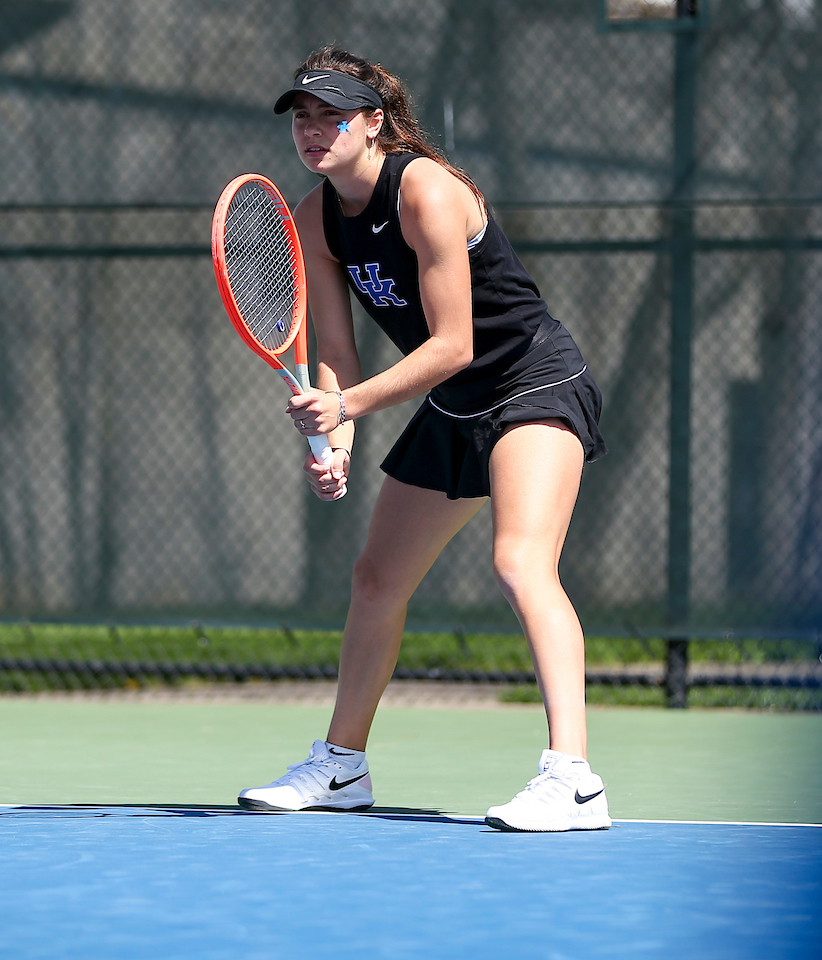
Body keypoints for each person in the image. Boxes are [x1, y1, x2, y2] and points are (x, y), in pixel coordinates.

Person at [236, 47, 610, 832]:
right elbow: (336, 353)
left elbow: (453, 345)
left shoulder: (428, 191)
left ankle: (573, 779)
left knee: (519, 561)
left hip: (532, 382)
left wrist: (349, 412)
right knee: (375, 579)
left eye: (331, 115)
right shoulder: (314, 218)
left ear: (374, 123)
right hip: (454, 404)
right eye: (301, 117)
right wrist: (332, 440)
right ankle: (341, 767)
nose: (312, 131)